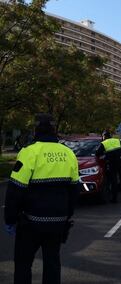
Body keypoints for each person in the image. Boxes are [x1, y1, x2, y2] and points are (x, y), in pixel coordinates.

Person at [4, 113, 80, 284]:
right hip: (57, 222)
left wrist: (10, 219)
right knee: (52, 264)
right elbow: (75, 190)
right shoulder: (68, 153)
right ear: (55, 131)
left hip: (31, 222)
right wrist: (67, 214)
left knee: (23, 264)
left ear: (35, 130)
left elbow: (15, 190)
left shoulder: (29, 152)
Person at [96, 130, 121, 203]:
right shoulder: (117, 140)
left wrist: (104, 155)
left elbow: (97, 153)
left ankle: (114, 199)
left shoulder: (104, 143)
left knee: (114, 181)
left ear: (104, 136)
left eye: (103, 136)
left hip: (112, 163)